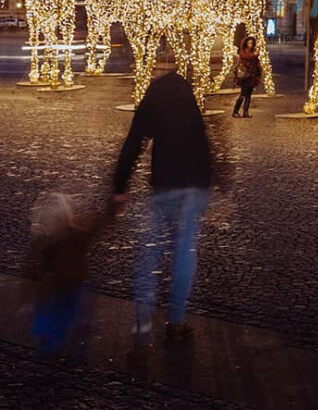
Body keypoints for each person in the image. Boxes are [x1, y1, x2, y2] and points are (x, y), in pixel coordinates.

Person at [113, 68, 213, 343]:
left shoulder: (153, 96)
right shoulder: (187, 94)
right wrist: (209, 180)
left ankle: (142, 326)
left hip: (165, 184)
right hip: (193, 184)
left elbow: (134, 142)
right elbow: (202, 138)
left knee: (150, 254)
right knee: (184, 252)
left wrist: (120, 186)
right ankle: (176, 321)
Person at [23, 192, 118, 357]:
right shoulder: (75, 233)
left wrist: (35, 275)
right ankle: (72, 346)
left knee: (54, 313)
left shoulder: (47, 240)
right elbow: (96, 228)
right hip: (76, 281)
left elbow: (38, 263)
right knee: (70, 313)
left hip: (57, 284)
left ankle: (50, 345)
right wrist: (111, 209)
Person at [232, 35, 262, 118]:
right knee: (242, 94)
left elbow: (257, 65)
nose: (251, 45)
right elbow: (247, 57)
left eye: (252, 43)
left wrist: (259, 75)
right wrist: (255, 54)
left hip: (252, 77)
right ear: (246, 43)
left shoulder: (254, 53)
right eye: (249, 43)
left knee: (248, 96)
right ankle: (235, 111)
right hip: (245, 77)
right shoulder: (243, 52)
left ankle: (246, 112)